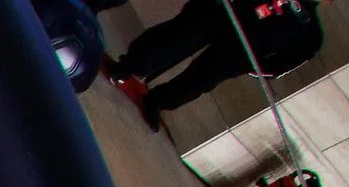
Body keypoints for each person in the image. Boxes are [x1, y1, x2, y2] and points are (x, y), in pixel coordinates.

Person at [108, 0, 322, 118]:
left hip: (240, 52)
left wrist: (250, 65)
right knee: (177, 38)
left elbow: (281, 65)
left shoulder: (312, 34)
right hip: (222, 10)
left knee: (199, 80)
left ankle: (157, 102)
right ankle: (128, 66)